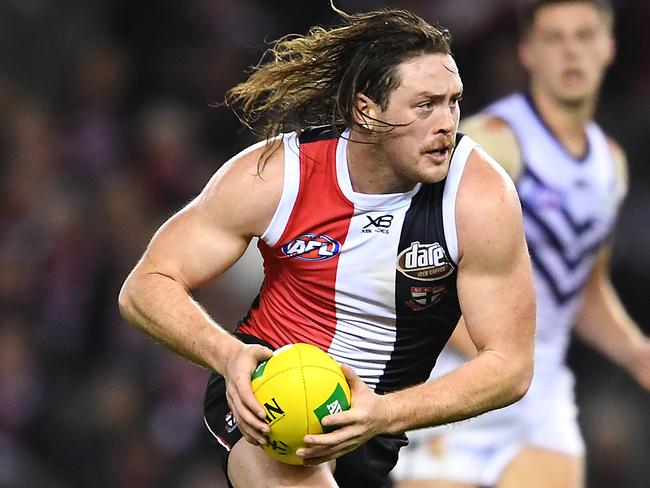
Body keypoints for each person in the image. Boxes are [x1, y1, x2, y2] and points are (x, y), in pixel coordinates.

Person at [118, 6, 536, 488]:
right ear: (366, 110)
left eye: (453, 102)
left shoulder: (478, 197)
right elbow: (145, 286)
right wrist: (226, 354)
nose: (446, 123)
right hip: (271, 392)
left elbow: (511, 366)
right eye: (425, 105)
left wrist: (383, 413)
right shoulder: (277, 175)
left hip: (378, 422)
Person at [391, 1, 650, 488]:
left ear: (609, 48)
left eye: (585, 36)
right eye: (555, 39)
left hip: (542, 388)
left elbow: (582, 290)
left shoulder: (609, 164)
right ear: (528, 52)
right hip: (461, 382)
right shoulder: (493, 143)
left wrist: (637, 354)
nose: (571, 53)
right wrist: (490, 354)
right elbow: (404, 254)